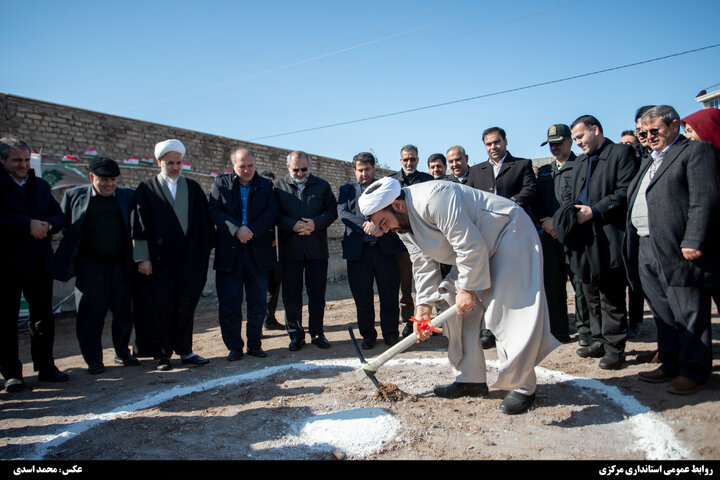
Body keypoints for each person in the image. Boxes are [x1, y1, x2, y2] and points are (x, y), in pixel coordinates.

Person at [359, 177, 558, 415]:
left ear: (397, 205)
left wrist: (468, 288)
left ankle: (522, 386)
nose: (384, 229)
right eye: (379, 226)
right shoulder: (400, 224)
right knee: (449, 302)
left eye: (383, 222)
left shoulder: (436, 197)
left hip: (507, 235)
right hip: (473, 250)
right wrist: (423, 307)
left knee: (507, 311)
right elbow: (422, 262)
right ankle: (470, 379)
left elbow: (468, 244)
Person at [624, 105, 719, 394]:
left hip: (678, 247)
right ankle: (669, 361)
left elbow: (705, 199)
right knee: (663, 310)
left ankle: (694, 370)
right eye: (643, 132)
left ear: (674, 125)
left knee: (688, 310)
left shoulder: (694, 152)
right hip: (646, 244)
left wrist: (694, 239)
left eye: (655, 131)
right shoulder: (649, 160)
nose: (649, 137)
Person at [554, 115, 638, 370]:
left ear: (596, 129)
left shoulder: (620, 153)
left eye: (580, 136)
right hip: (583, 238)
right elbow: (571, 196)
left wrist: (595, 210)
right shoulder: (580, 162)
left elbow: (625, 191)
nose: (577, 142)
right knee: (590, 293)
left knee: (611, 294)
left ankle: (615, 348)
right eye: (576, 138)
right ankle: (599, 339)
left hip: (609, 235)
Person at [131, 139, 215, 371]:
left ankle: (186, 351)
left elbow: (205, 225)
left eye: (179, 163)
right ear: (159, 162)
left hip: (189, 263)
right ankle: (162, 354)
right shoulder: (146, 189)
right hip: (159, 263)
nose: (176, 167)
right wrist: (143, 258)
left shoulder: (193, 188)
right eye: (170, 163)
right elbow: (139, 226)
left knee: (185, 305)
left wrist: (201, 254)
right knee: (161, 307)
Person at [54, 157, 139, 374]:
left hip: (120, 265)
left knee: (123, 313)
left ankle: (122, 352)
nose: (110, 184)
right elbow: (66, 229)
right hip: (90, 267)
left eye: (113, 180)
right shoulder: (74, 196)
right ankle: (93, 360)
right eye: (104, 180)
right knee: (91, 314)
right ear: (92, 177)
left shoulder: (127, 196)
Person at [1, 136, 68, 392]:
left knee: (42, 318)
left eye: (27, 160)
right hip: (7, 264)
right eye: (17, 160)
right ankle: (11, 373)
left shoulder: (39, 185)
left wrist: (48, 226)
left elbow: (58, 216)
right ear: (3, 160)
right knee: (5, 321)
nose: (23, 165)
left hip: (39, 262)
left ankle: (46, 367)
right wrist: (26, 225)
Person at [467, 127, 537, 349]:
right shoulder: (477, 171)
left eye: (496, 142)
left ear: (505, 141)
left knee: (512, 282)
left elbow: (530, 191)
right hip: (486, 236)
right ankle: (489, 329)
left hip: (514, 232)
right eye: (488, 144)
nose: (493, 147)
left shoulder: (521, 165)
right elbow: (468, 196)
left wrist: (506, 206)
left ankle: (514, 327)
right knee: (488, 282)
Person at [209, 148, 278, 361]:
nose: (247, 170)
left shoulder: (266, 186)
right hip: (230, 253)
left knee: (258, 301)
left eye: (250, 166)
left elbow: (271, 212)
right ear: (233, 166)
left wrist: (252, 230)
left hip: (258, 252)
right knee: (230, 302)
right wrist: (236, 229)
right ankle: (234, 347)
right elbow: (214, 210)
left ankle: (254, 344)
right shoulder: (221, 183)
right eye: (242, 166)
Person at [338, 152, 403, 349]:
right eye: (360, 170)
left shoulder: (385, 186)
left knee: (389, 295)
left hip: (386, 250)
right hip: (359, 253)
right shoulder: (347, 190)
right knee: (362, 297)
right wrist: (368, 225)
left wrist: (379, 227)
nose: (364, 173)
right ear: (354, 170)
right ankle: (368, 335)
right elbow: (343, 213)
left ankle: (391, 334)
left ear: (374, 168)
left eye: (367, 169)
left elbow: (395, 211)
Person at [532, 124, 590, 345]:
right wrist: (547, 223)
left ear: (569, 142)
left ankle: (586, 330)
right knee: (553, 285)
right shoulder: (546, 171)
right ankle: (559, 331)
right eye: (550, 145)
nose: (554, 148)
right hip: (550, 236)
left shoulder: (580, 166)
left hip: (575, 234)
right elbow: (536, 201)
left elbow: (582, 200)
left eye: (558, 143)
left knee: (580, 283)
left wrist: (558, 223)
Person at [274, 151, 338, 351]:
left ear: (309, 167)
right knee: (291, 294)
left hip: (316, 250)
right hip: (290, 250)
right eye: (296, 169)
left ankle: (317, 333)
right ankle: (295, 335)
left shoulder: (322, 186)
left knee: (317, 294)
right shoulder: (278, 187)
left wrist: (315, 223)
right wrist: (292, 225)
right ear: (288, 167)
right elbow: (273, 213)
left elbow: (332, 211)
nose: (300, 173)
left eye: (304, 169)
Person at [388, 145, 433, 337]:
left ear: (418, 160)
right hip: (402, 242)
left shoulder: (427, 180)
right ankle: (408, 321)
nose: (409, 163)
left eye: (412, 159)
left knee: (430, 281)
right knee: (406, 286)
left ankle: (429, 322)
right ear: (400, 161)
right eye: (406, 159)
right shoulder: (391, 181)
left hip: (426, 240)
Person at [618, 130, 646, 339]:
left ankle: (636, 320)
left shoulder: (643, 165)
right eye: (623, 143)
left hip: (638, 231)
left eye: (630, 143)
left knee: (635, 281)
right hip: (620, 231)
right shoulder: (618, 166)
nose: (626, 146)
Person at [259, 169, 286, 332]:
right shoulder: (257, 201)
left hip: (277, 253)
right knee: (259, 288)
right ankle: (258, 323)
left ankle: (269, 319)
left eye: (271, 182)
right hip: (261, 252)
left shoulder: (278, 199)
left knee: (274, 286)